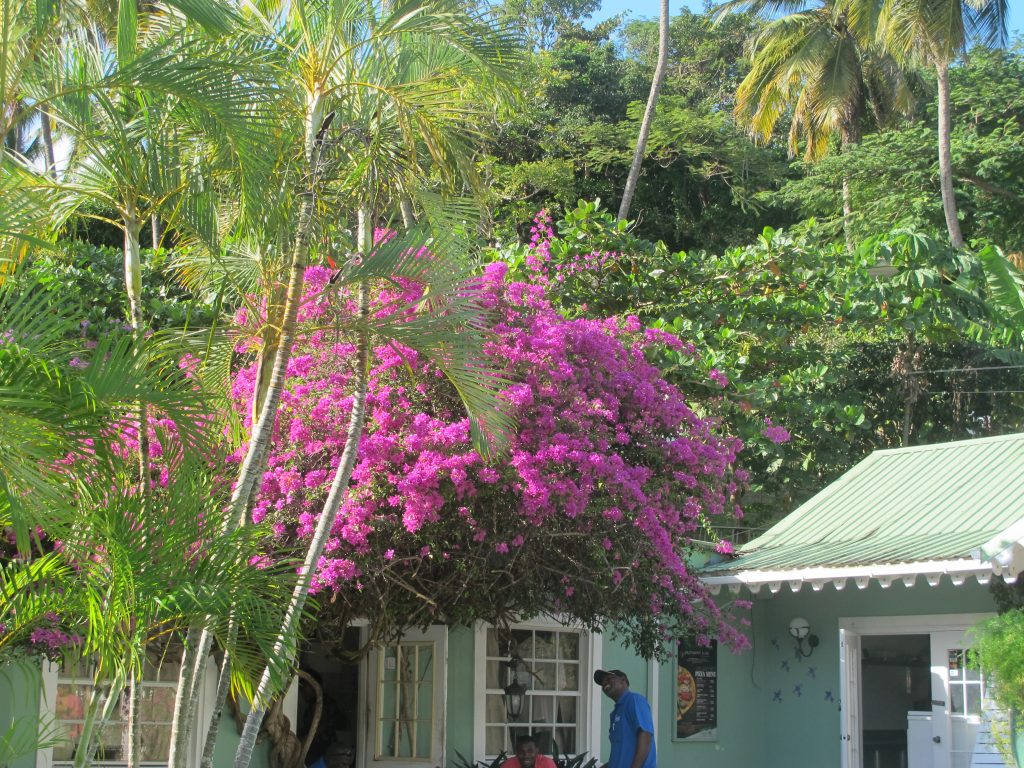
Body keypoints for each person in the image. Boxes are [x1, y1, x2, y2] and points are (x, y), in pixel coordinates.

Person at [594, 669, 656, 768]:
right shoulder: (615, 713)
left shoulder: (634, 700)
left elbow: (645, 736)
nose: (605, 683)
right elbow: (619, 755)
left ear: (623, 680)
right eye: (602, 683)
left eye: (609, 678)